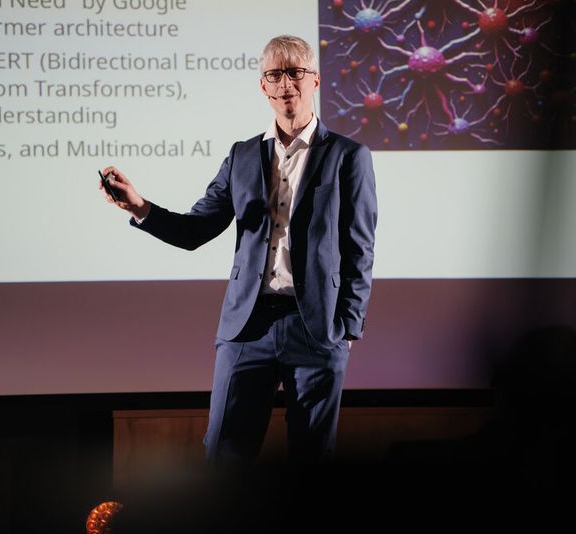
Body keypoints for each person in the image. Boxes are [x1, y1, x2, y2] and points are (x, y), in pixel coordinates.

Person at [99, 35, 377, 464]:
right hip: (248, 327)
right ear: (262, 87)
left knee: (312, 459)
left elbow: (359, 246)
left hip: (317, 328)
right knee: (225, 456)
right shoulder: (242, 156)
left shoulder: (348, 156)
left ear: (315, 80)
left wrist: (349, 327)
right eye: (274, 75)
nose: (286, 84)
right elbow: (196, 230)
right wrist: (140, 207)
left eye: (295, 73)